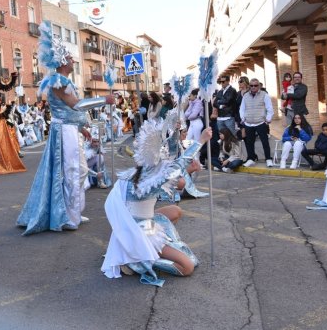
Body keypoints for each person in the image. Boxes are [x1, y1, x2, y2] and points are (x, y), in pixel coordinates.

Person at [17, 21, 114, 235]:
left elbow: (72, 112)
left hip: (71, 131)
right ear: (62, 62)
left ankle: (74, 211)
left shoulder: (63, 81)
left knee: (77, 171)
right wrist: (103, 100)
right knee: (72, 172)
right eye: (70, 58)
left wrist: (82, 129)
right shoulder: (57, 82)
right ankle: (67, 215)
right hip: (64, 134)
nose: (73, 60)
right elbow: (76, 105)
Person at [101, 123, 212, 285]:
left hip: (139, 221)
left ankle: (150, 251)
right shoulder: (145, 182)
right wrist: (201, 140)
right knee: (187, 266)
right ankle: (138, 261)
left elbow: (176, 177)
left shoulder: (142, 171)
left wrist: (174, 131)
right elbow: (178, 167)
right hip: (141, 232)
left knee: (175, 210)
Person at [239, 78, 274, 168]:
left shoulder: (264, 95)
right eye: (251, 85)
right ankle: (251, 159)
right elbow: (242, 109)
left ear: (259, 86)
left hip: (261, 122)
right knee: (249, 142)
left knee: (265, 142)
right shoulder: (246, 96)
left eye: (255, 85)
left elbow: (270, 109)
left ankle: (268, 159)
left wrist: (268, 119)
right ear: (249, 86)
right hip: (248, 123)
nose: (253, 87)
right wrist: (243, 118)